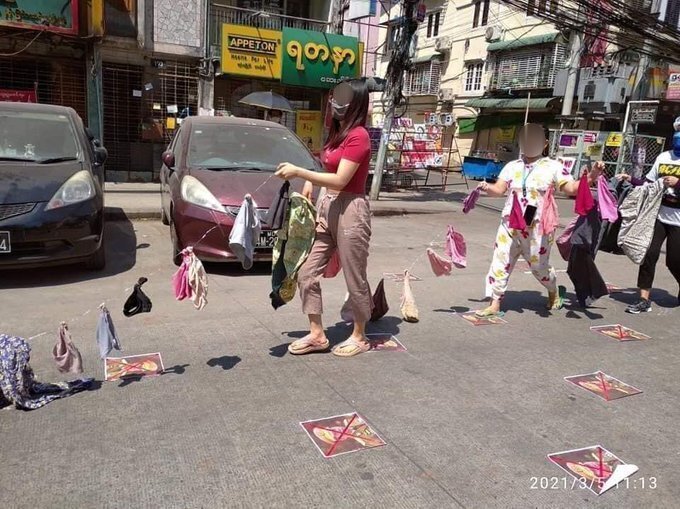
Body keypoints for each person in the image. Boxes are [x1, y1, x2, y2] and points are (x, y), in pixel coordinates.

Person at [275, 79, 373, 357]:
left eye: (342, 99)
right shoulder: (337, 133)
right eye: (334, 98)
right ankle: (317, 335)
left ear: (355, 104)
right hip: (327, 206)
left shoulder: (359, 136)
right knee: (306, 273)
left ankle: (360, 335)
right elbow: (327, 163)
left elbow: (342, 179)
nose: (335, 103)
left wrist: (300, 173)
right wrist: (312, 182)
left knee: (355, 277)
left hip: (351, 209)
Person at [476, 123, 603, 317]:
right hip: (510, 223)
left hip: (538, 227)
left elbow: (570, 188)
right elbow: (499, 190)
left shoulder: (553, 166)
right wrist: (486, 187)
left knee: (539, 267)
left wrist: (592, 176)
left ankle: (553, 289)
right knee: (500, 261)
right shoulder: (512, 166)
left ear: (544, 144)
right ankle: (495, 302)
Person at [616, 130, 680, 314]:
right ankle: (643, 299)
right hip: (658, 216)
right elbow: (649, 183)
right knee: (649, 254)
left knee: (674, 261)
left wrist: (677, 183)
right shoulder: (664, 157)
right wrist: (632, 179)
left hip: (678, 220)